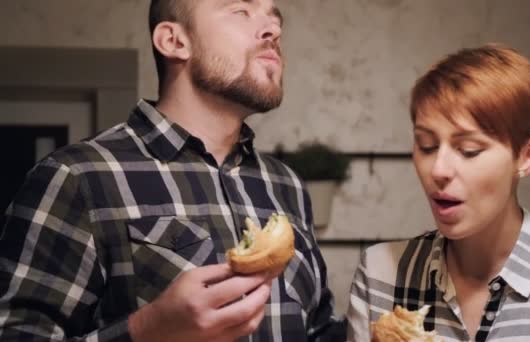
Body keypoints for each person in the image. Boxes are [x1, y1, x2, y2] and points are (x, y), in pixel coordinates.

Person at [0, 0, 344, 341]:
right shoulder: (76, 177)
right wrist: (148, 331)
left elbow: (316, 330)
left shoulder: (286, 185)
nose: (274, 29)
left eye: (274, 17)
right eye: (241, 11)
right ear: (173, 41)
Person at [346, 44, 530, 341]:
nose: (438, 170)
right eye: (427, 146)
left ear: (527, 156)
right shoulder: (381, 272)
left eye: (469, 150)